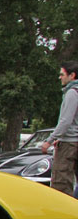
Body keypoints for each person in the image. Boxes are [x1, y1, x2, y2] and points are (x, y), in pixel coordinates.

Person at [42, 61, 78, 195]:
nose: (60, 77)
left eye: (62, 74)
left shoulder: (72, 93)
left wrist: (49, 140)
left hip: (69, 144)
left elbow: (65, 121)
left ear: (72, 75)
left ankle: (64, 213)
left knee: (61, 183)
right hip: (73, 140)